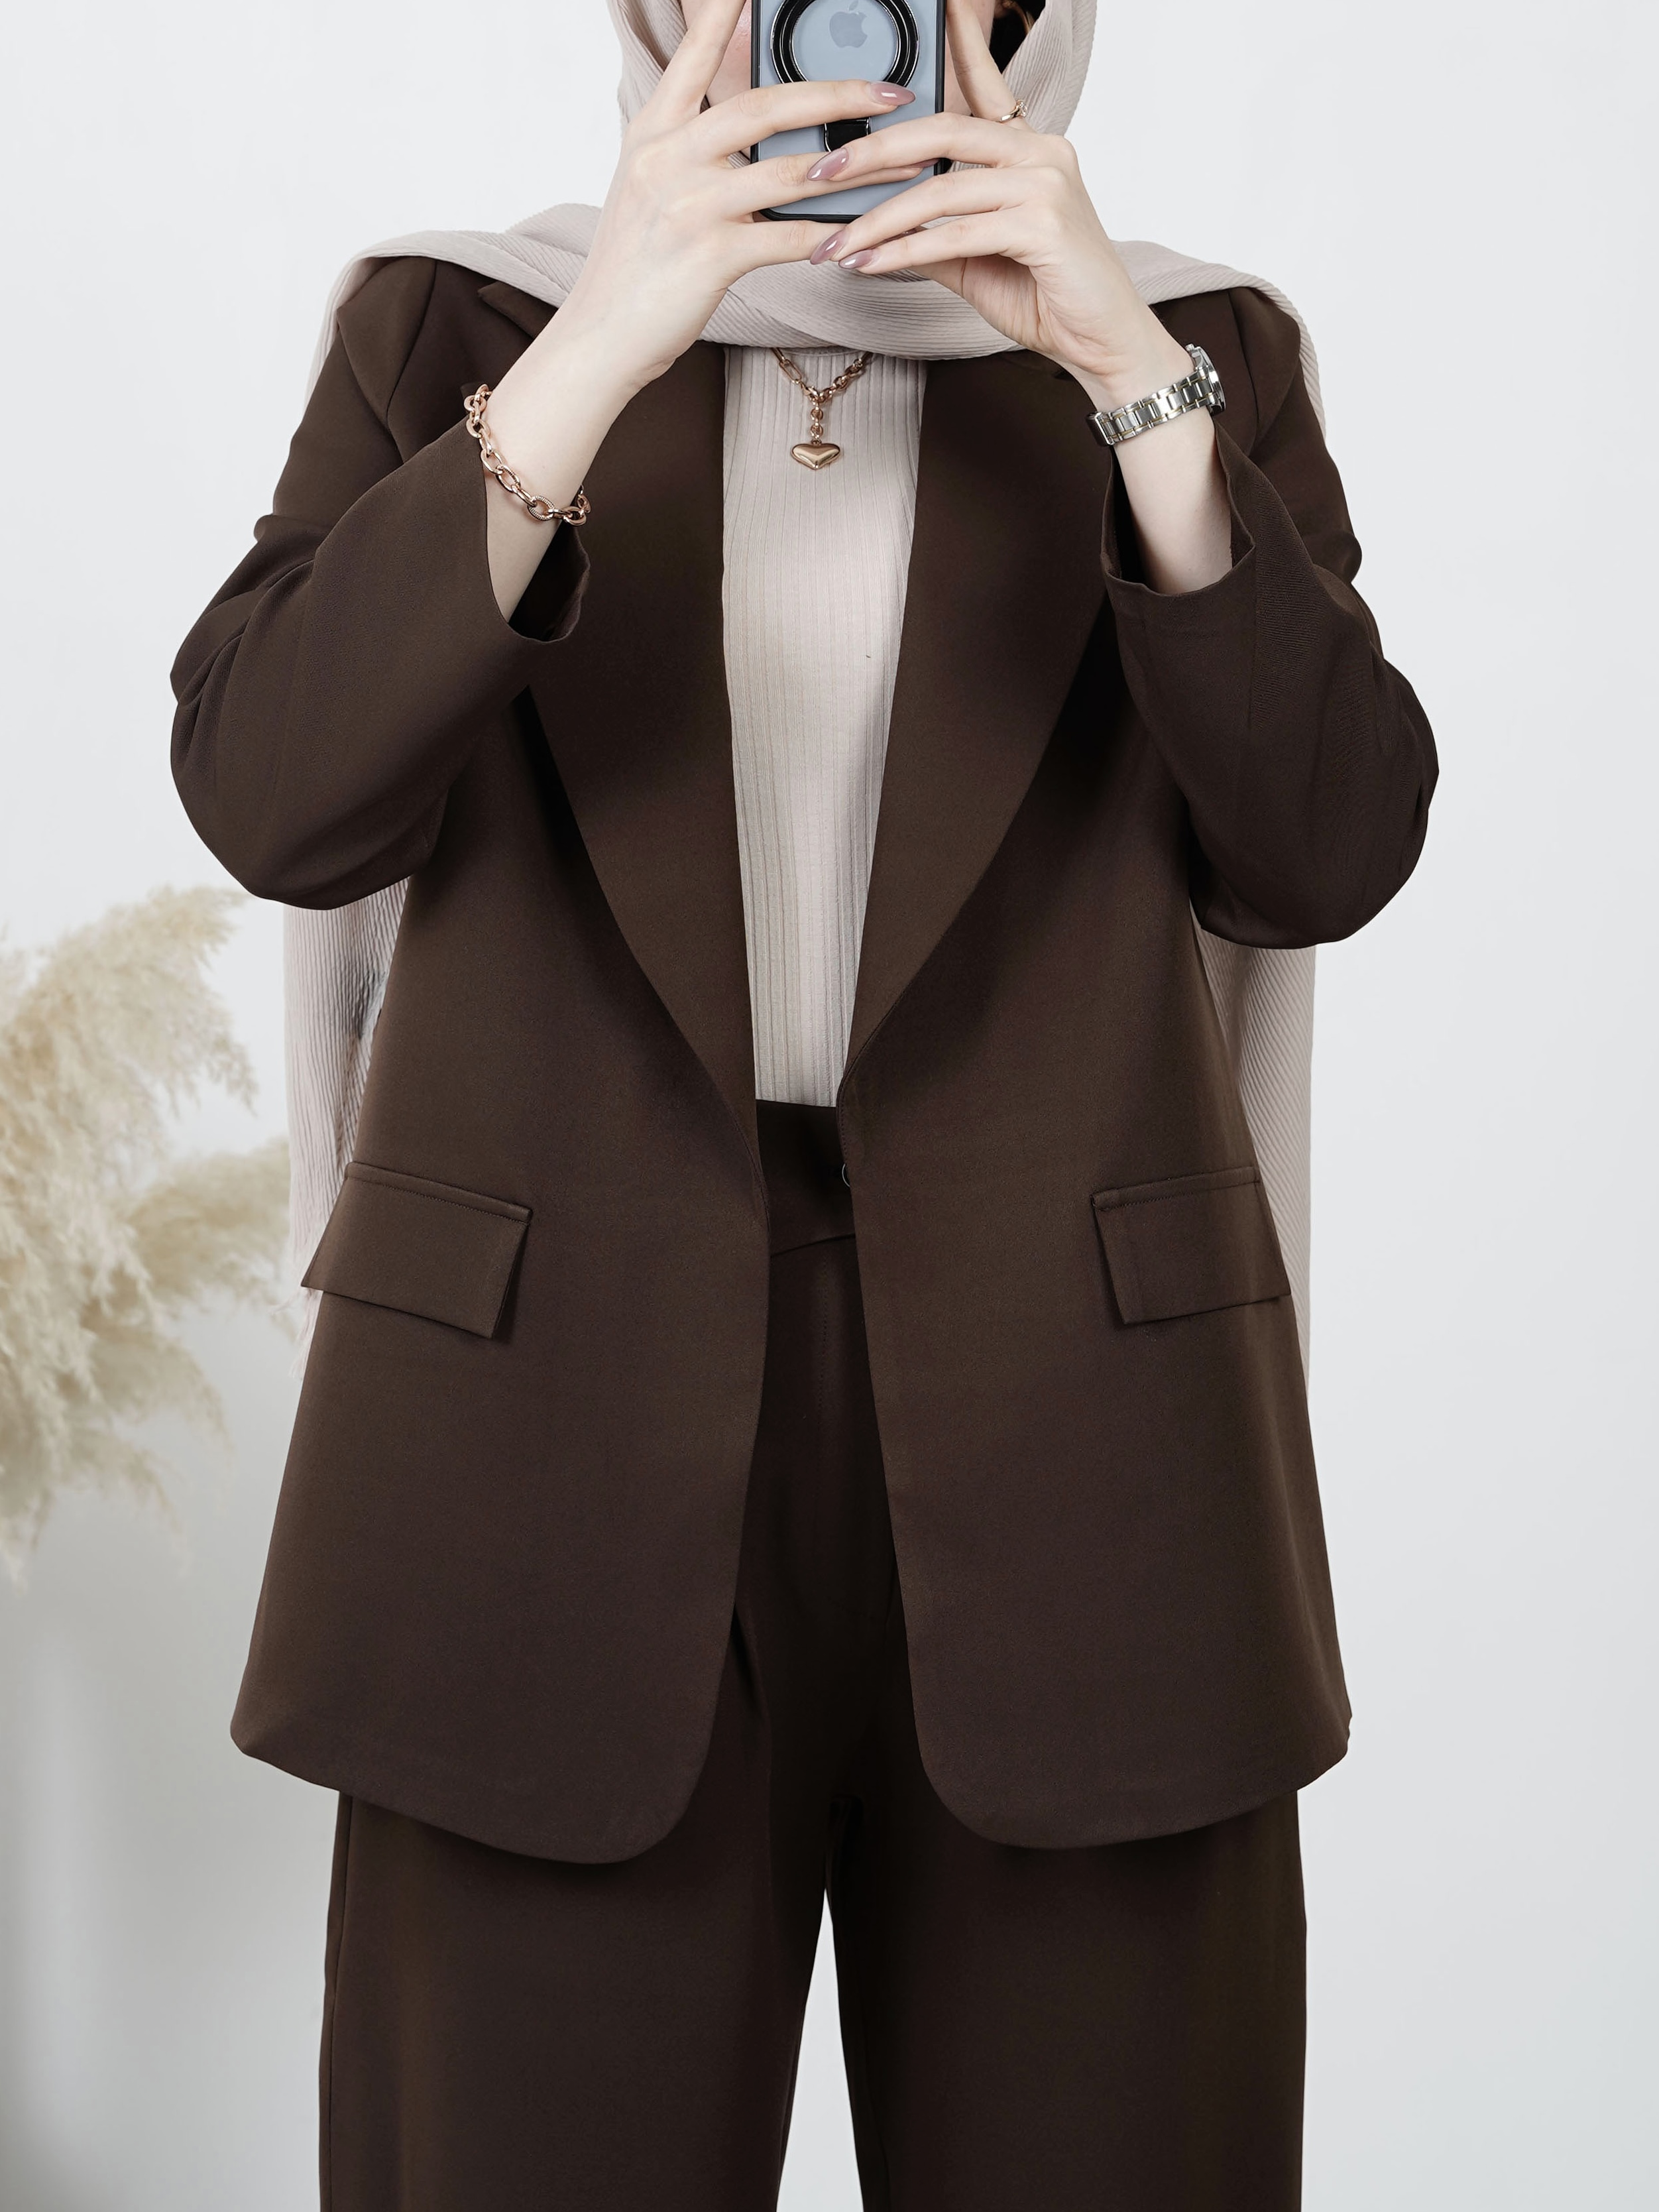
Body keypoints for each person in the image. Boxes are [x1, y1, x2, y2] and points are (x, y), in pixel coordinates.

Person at [170, 0, 1436, 2203]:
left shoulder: (1191, 345)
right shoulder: (465, 322)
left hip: (1088, 1460)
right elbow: (274, 790)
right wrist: (602, 337)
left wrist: (1125, 373)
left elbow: (1328, 844)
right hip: (545, 1439)